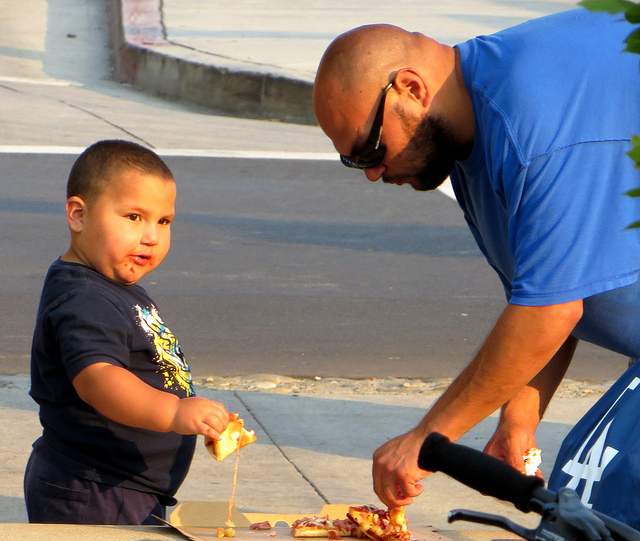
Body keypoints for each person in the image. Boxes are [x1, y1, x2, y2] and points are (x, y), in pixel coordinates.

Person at [313, 8, 640, 527]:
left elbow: (552, 311)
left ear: (411, 89)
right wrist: (519, 419)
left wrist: (426, 438)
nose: (372, 173)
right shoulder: (473, 133)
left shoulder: (534, 122)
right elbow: (548, 287)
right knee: (585, 509)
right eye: (353, 161)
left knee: (596, 506)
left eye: (369, 150)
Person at [24, 140, 232, 525]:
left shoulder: (109, 285)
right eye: (134, 217)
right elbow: (99, 379)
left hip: (119, 486)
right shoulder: (85, 297)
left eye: (163, 221)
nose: (151, 236)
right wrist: (173, 412)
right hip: (95, 489)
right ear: (78, 215)